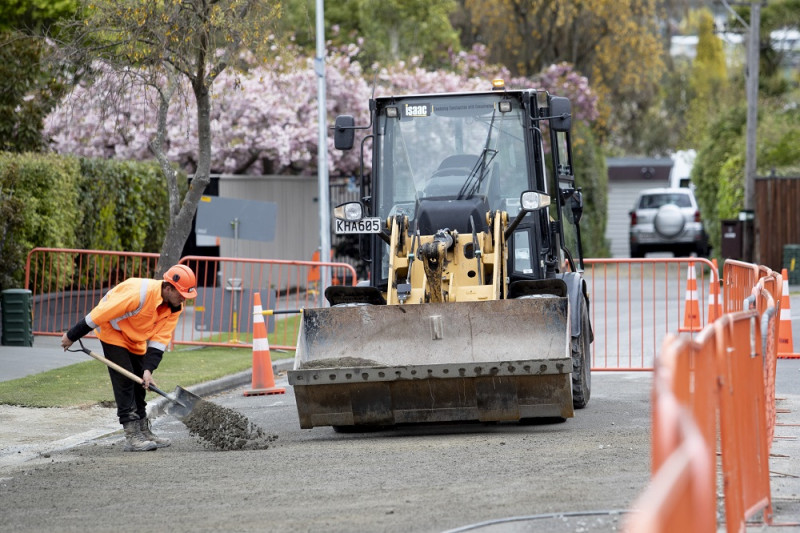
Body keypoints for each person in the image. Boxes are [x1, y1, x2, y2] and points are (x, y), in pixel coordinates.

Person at [61, 264, 197, 452]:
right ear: (168, 288)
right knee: (124, 381)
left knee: (140, 383)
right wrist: (71, 335)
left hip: (136, 338)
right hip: (113, 332)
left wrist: (148, 370)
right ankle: (132, 436)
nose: (184, 299)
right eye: (181, 294)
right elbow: (99, 314)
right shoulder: (138, 294)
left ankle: (144, 431)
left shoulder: (175, 307)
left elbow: (160, 339)